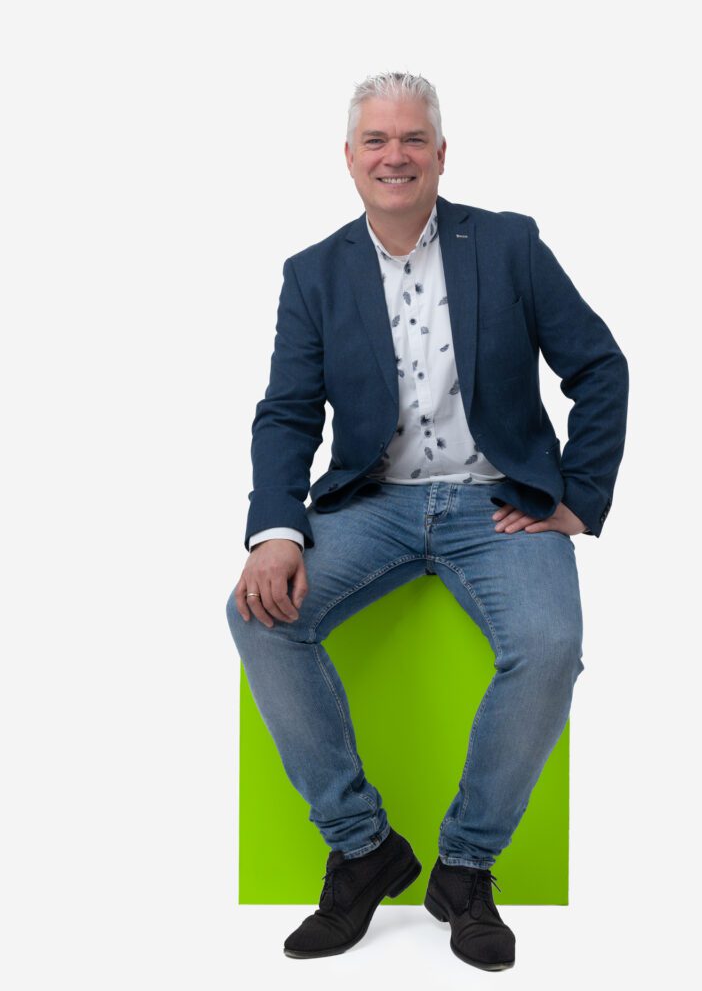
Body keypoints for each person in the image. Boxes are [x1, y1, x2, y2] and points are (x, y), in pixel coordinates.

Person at [225, 71, 629, 972]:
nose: (395, 155)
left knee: (550, 644)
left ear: (441, 155)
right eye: (377, 140)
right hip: (374, 503)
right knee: (257, 614)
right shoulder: (314, 273)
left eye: (413, 139)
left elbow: (600, 366)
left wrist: (579, 494)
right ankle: (362, 846)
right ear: (349, 158)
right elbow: (287, 414)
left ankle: (466, 867)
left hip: (497, 504)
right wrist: (276, 531)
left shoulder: (510, 244)